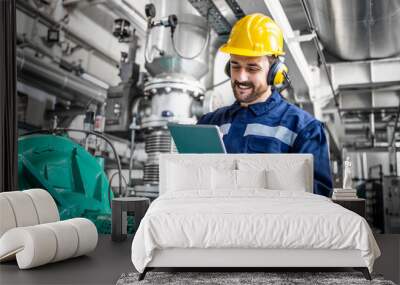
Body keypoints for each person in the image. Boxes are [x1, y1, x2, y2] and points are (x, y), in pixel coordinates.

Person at [197, 13, 333, 197]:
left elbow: (319, 198)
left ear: (275, 73)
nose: (240, 77)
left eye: (252, 68)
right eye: (235, 66)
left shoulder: (304, 129)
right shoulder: (208, 122)